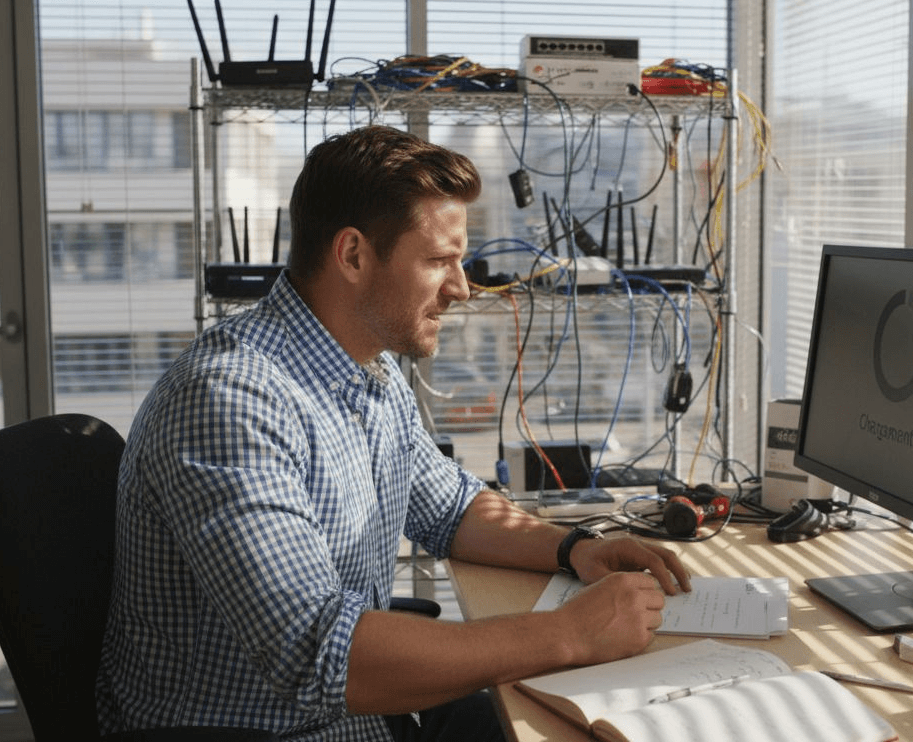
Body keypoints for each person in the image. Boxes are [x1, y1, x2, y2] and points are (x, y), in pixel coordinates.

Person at [96, 124, 691, 741]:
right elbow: (322, 655)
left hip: (360, 719)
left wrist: (575, 549)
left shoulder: (368, 373)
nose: (462, 288)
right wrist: (570, 634)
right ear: (353, 255)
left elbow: (452, 509)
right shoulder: (228, 399)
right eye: (438, 261)